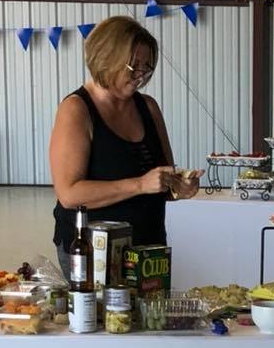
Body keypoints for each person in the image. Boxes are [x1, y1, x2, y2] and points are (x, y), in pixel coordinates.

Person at [49, 16, 202, 279]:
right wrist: (139, 184)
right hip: (93, 250)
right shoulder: (76, 109)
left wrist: (180, 187)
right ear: (106, 59)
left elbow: (162, 181)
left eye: (147, 67)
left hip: (148, 247)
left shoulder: (148, 107)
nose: (141, 76)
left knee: (152, 308)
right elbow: (69, 194)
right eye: (134, 67)